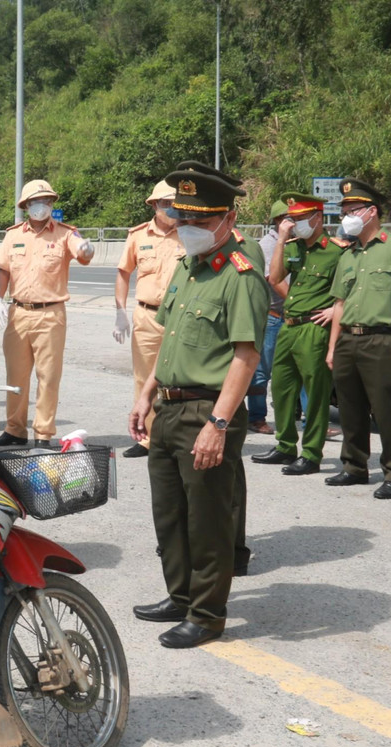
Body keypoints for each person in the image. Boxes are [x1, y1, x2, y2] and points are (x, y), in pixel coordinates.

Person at [128, 167, 269, 649]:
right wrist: (146, 393)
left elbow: (246, 356)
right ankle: (181, 594)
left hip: (206, 411)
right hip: (168, 409)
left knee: (207, 520)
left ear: (227, 219)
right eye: (182, 216)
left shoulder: (239, 274)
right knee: (169, 513)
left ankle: (207, 615)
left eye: (200, 219)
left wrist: (218, 423)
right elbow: (171, 338)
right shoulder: (188, 267)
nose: (186, 226)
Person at [324, 178, 391, 500]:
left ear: (371, 212)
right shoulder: (349, 255)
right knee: (350, 408)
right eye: (343, 211)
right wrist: (332, 347)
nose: (346, 216)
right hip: (348, 339)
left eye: (352, 210)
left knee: (388, 411)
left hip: (383, 339)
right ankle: (355, 467)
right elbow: (339, 305)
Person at [0, 180, 95, 448]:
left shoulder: (66, 234)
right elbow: (3, 270)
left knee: (48, 376)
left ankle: (43, 434)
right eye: (36, 201)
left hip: (51, 314)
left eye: (46, 201)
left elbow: (82, 252)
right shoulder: (13, 235)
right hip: (18, 313)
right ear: (25, 206)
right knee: (16, 376)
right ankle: (15, 430)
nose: (41, 206)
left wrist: (86, 249)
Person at [252, 193, 347, 475]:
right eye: (291, 220)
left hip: (314, 329)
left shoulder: (337, 251)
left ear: (318, 218)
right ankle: (285, 446)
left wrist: (333, 311)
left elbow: (351, 289)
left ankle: (311, 453)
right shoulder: (294, 247)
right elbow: (276, 276)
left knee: (315, 394)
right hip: (288, 325)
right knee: (281, 389)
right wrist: (281, 240)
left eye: (301, 219)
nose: (295, 225)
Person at [114, 181, 184, 458]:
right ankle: (147, 438)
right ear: (154, 205)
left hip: (181, 317)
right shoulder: (138, 236)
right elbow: (123, 273)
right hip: (147, 316)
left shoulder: (190, 233)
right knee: (145, 380)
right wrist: (119, 311)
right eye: (165, 203)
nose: (171, 209)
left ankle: (176, 437)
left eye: (174, 203)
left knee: (180, 380)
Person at [243, 202, 292, 435]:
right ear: (278, 221)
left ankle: (305, 417)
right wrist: (297, 303)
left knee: (300, 369)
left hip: (293, 316)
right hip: (274, 316)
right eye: (290, 218)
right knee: (261, 371)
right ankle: (257, 417)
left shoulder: (296, 244)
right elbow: (273, 279)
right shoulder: (268, 245)